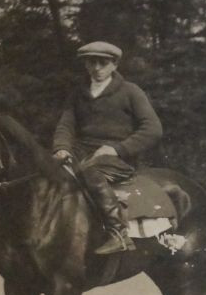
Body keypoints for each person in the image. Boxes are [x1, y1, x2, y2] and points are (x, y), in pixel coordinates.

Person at [51, 41, 164, 255]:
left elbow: (153, 129)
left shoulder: (131, 92)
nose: (97, 68)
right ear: (85, 65)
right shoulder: (77, 94)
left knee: (89, 172)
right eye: (91, 62)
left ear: (114, 65)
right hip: (80, 154)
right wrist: (62, 148)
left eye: (103, 63)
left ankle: (118, 232)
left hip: (117, 160)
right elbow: (65, 125)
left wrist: (117, 149)